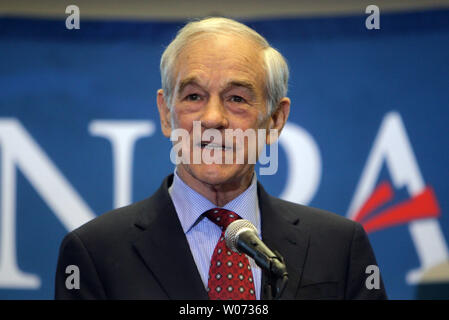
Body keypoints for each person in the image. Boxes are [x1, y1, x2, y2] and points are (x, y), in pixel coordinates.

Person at [54, 17, 387, 300]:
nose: (213, 119)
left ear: (274, 120)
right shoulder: (94, 254)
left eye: (237, 98)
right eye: (194, 96)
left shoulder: (340, 247)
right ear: (167, 114)